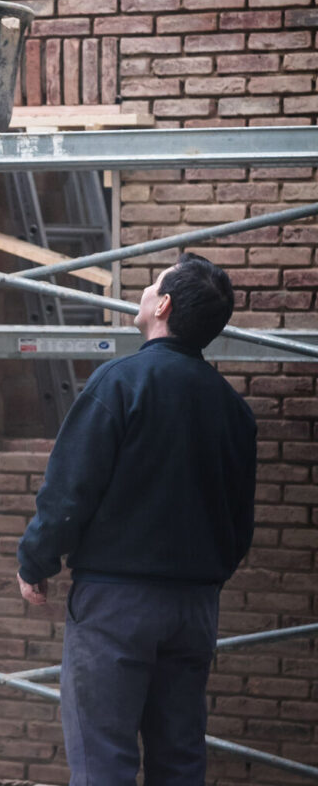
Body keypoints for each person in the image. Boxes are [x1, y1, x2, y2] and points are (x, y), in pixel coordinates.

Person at [16, 252, 257, 786]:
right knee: (179, 757)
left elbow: (69, 490)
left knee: (104, 759)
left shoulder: (119, 384)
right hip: (194, 608)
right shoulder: (232, 408)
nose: (144, 291)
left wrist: (36, 560)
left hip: (116, 605)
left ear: (163, 305)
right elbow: (241, 522)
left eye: (152, 284)